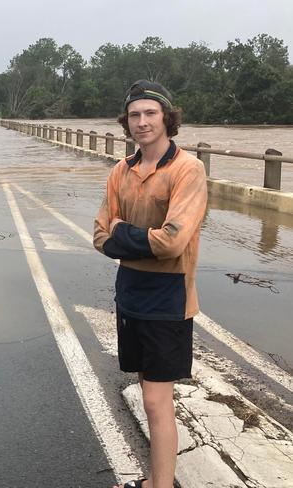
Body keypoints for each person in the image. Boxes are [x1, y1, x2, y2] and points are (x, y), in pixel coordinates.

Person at [93, 80, 208, 488]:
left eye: (150, 113)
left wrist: (125, 233)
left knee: (157, 402)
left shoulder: (187, 170)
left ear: (167, 118)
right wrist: (139, 238)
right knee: (146, 392)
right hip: (130, 294)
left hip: (169, 296)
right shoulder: (120, 172)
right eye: (135, 115)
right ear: (127, 122)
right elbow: (99, 237)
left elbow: (175, 240)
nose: (142, 122)